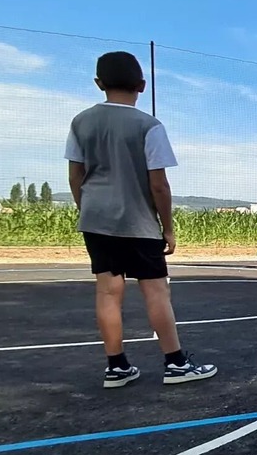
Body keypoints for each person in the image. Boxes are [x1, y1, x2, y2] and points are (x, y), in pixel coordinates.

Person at [64, 51, 218, 388]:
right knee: (156, 292)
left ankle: (116, 366)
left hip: (96, 220)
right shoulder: (148, 126)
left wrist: (86, 207)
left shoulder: (81, 122)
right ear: (142, 85)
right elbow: (159, 184)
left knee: (107, 292)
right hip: (138, 222)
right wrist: (168, 228)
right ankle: (176, 363)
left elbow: (75, 175)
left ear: (98, 83)